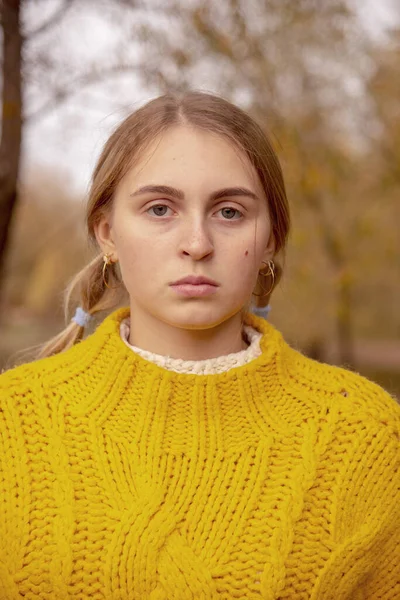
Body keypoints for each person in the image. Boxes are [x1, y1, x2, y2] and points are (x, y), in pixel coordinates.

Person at [0, 91, 399, 600]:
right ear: (108, 234)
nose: (197, 243)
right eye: (160, 208)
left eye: (230, 212)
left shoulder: (367, 438)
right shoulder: (13, 422)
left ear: (271, 238)